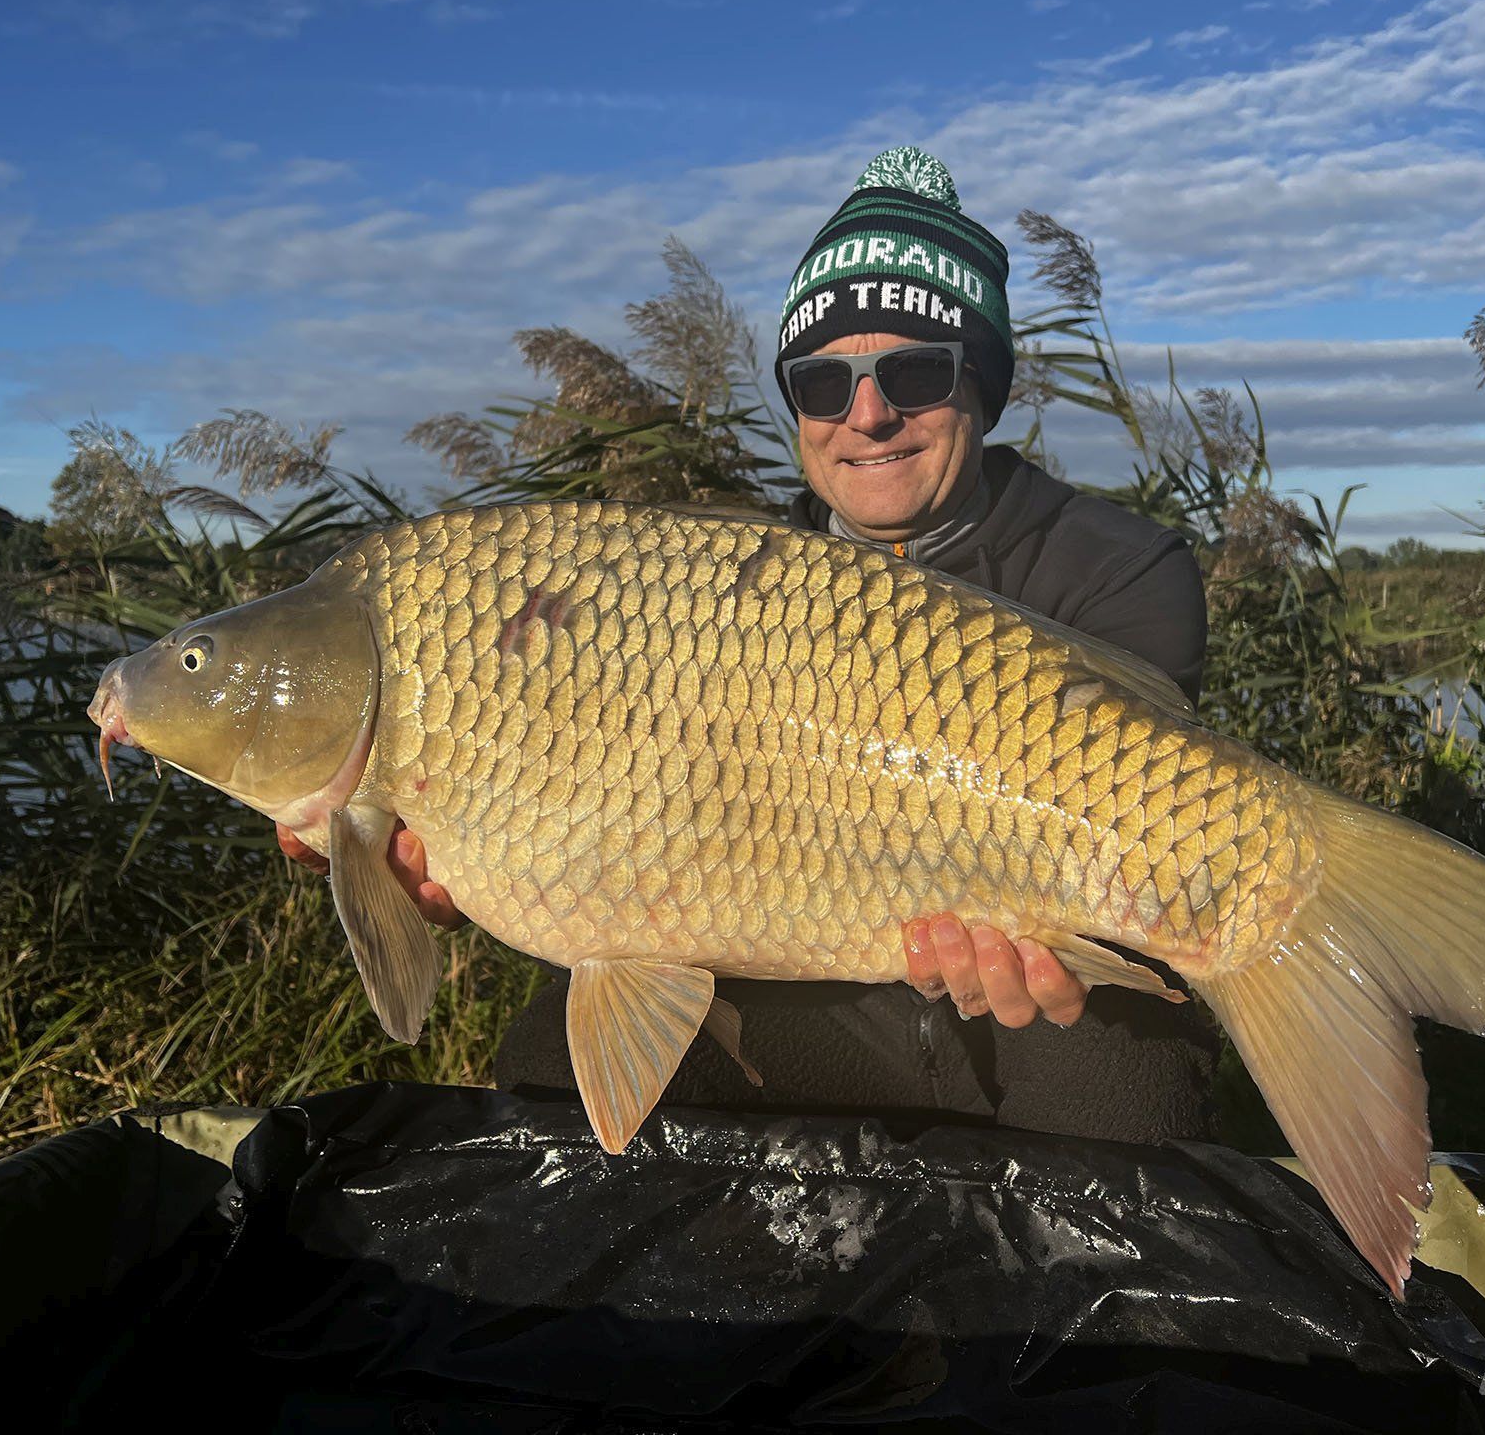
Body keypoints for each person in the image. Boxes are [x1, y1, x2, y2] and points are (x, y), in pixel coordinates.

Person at [281, 147, 1217, 1145]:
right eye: (822, 383)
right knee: (547, 1076)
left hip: (1055, 1015)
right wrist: (483, 854)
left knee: (1123, 1091)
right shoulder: (726, 579)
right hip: (825, 1014)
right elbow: (617, 800)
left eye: (914, 371)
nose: (868, 414)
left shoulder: (1120, 568)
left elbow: (1150, 854)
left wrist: (1078, 947)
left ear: (982, 383)